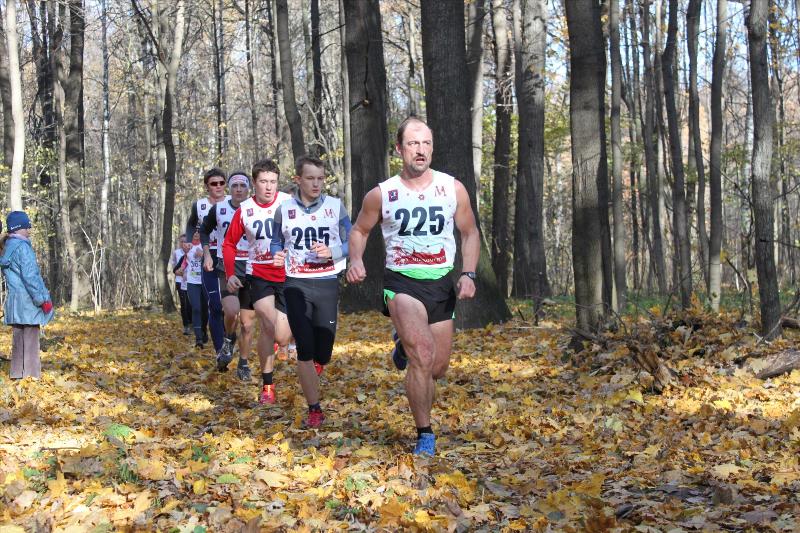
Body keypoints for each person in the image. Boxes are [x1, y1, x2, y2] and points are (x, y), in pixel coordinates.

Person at [346, 117, 479, 455]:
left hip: (440, 283)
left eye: (426, 144)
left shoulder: (452, 188)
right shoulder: (383, 193)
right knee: (423, 354)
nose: (421, 150)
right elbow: (359, 230)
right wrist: (356, 259)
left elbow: (469, 233)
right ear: (399, 149)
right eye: (413, 144)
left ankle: (402, 345)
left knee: (437, 367)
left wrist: (469, 273)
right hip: (402, 283)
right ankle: (425, 434)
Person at [271, 155, 351, 429]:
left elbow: (352, 239)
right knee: (304, 346)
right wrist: (277, 254)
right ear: (298, 180)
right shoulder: (283, 210)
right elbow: (276, 241)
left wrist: (334, 251)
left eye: (320, 178)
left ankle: (316, 366)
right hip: (296, 283)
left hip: (327, 281)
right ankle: (314, 409)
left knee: (323, 352)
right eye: (310, 178)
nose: (316, 184)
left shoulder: (335, 207)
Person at [223, 158, 292, 404]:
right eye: (263, 181)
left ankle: (282, 343)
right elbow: (229, 243)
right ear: (254, 183)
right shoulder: (245, 210)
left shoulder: (289, 203)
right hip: (258, 274)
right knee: (268, 326)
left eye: (273, 181)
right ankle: (267, 386)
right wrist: (230, 273)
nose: (269, 187)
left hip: (288, 275)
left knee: (282, 337)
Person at [200, 171, 256, 380]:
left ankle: (243, 363)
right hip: (227, 265)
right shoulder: (219, 208)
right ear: (229, 188)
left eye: (243, 186)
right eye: (235, 186)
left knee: (247, 323)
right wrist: (207, 253)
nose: (239, 190)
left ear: (248, 188)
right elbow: (204, 230)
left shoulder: (256, 208)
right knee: (231, 312)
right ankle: (229, 338)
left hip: (252, 267)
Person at [0, 211, 55, 379]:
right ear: (18, 228)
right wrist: (42, 300)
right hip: (28, 301)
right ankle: (31, 377)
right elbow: (31, 277)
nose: (29, 230)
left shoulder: (7, 248)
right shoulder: (23, 248)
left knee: (18, 340)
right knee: (31, 340)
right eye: (26, 227)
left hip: (14, 302)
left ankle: (17, 374)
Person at [185, 168, 228, 352]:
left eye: (221, 183)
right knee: (215, 304)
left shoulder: (233, 202)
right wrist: (189, 241)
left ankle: (229, 336)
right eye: (214, 183)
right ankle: (220, 347)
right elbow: (191, 224)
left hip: (230, 256)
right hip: (208, 255)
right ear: (206, 186)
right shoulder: (199, 205)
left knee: (230, 305)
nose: (218, 187)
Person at [182, 232, 206, 348]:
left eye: (198, 231)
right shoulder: (188, 246)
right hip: (192, 282)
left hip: (205, 281)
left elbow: (212, 260)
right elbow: (184, 260)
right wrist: (182, 269)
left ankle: (204, 330)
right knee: (196, 308)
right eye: (194, 231)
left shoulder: (206, 245)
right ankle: (198, 338)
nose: (196, 233)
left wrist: (203, 255)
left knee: (205, 310)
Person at [171, 234, 192, 335]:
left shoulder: (192, 251)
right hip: (180, 281)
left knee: (191, 303)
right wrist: (182, 273)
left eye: (185, 241)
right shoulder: (176, 253)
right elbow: (174, 269)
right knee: (184, 303)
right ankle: (186, 325)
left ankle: (193, 323)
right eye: (181, 241)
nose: (183, 243)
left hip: (192, 281)